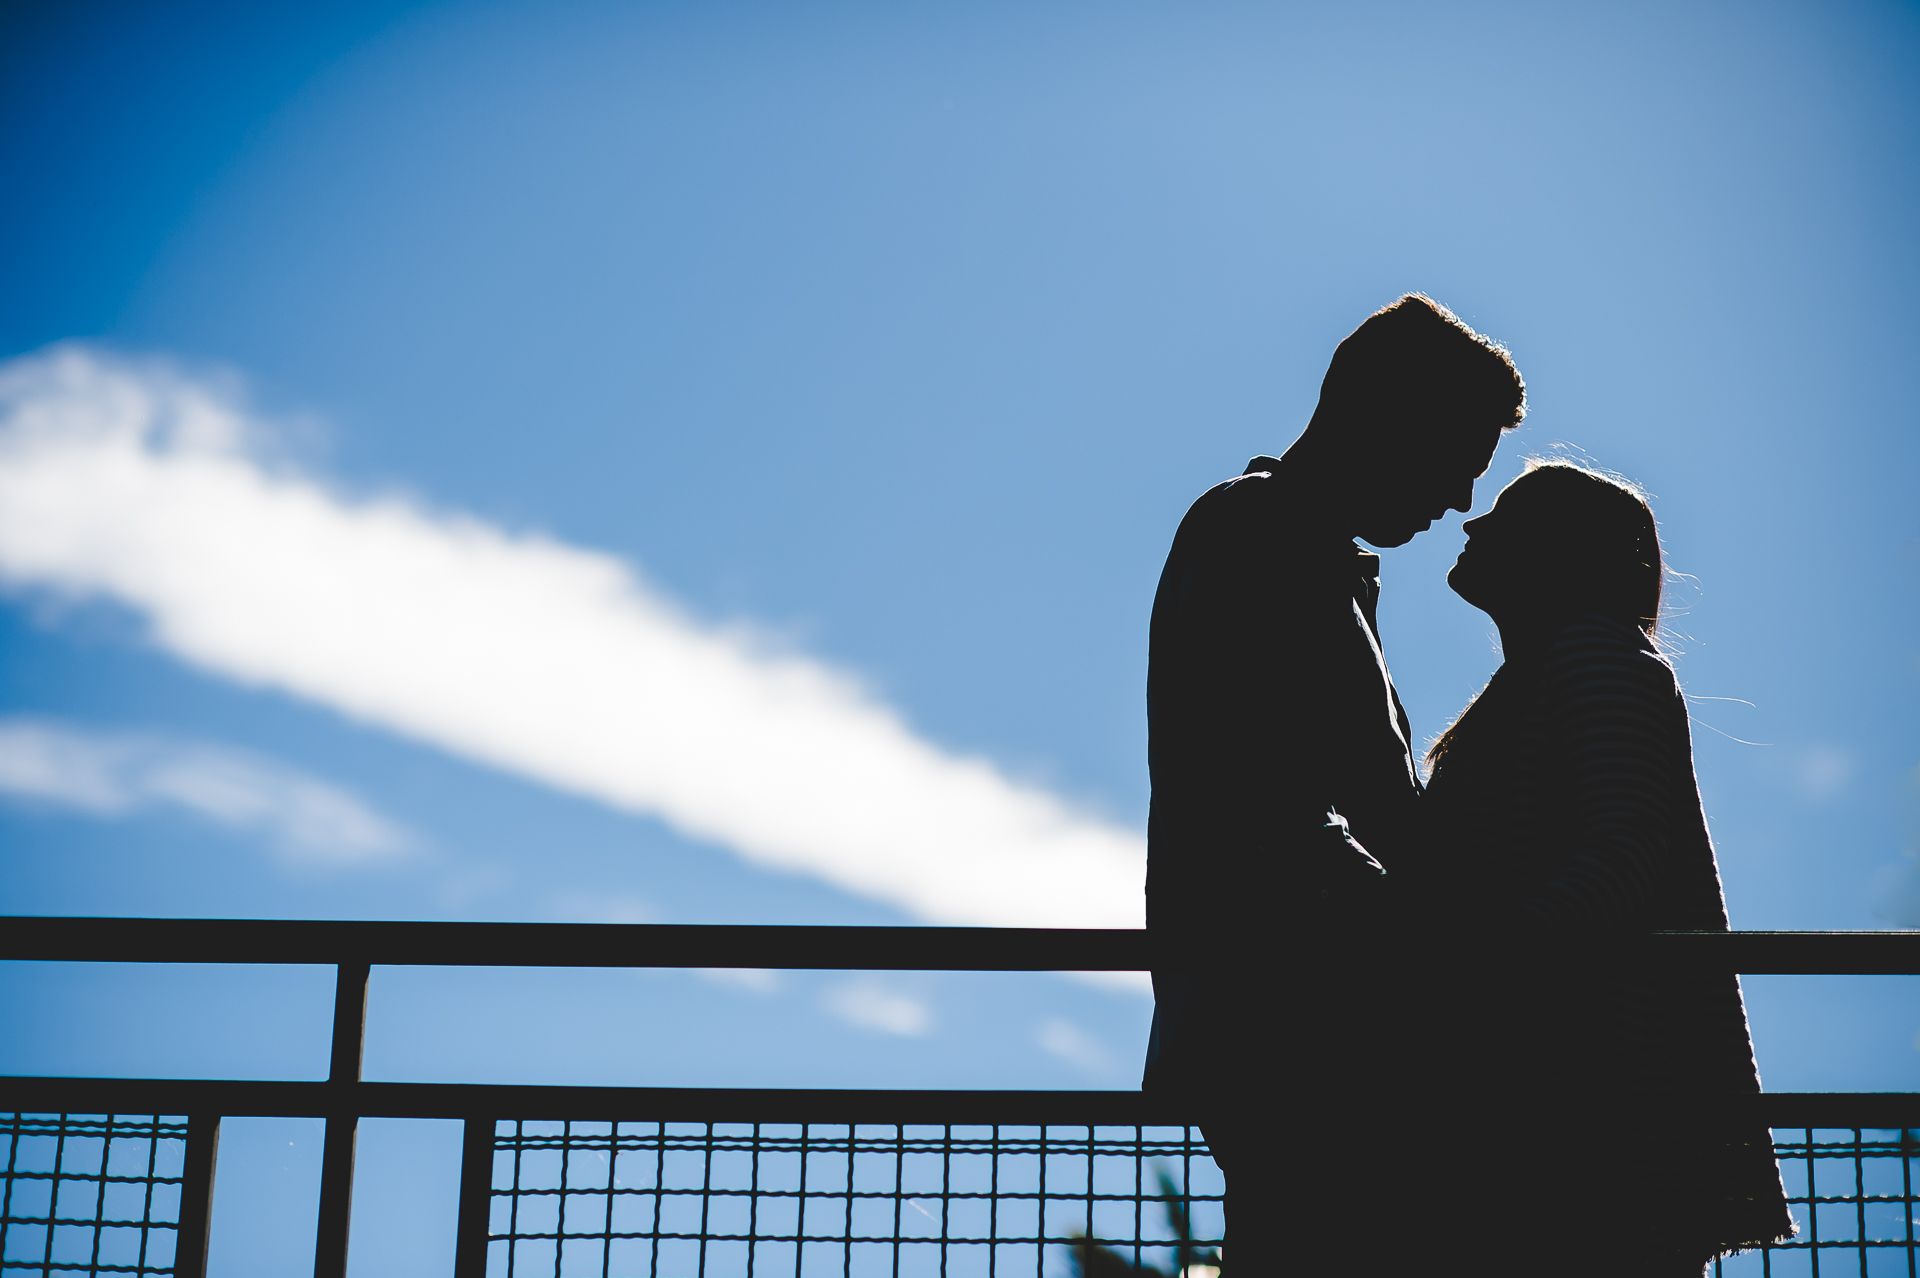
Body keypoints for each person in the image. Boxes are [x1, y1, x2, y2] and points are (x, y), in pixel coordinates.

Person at [1140, 294, 1527, 1255]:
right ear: (1391, 418)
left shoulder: (1278, 540)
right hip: (1303, 1027)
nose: (1461, 500)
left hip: (1292, 1022)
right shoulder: (1261, 534)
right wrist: (1430, 927)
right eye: (1459, 459)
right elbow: (1269, 802)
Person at [1419, 459, 1794, 1275]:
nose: (1473, 524)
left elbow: (1623, 856)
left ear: (1557, 552)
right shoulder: (1555, 672)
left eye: (1507, 517)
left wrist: (1480, 961)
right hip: (1570, 1095)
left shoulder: (1598, 660)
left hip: (1583, 1099)